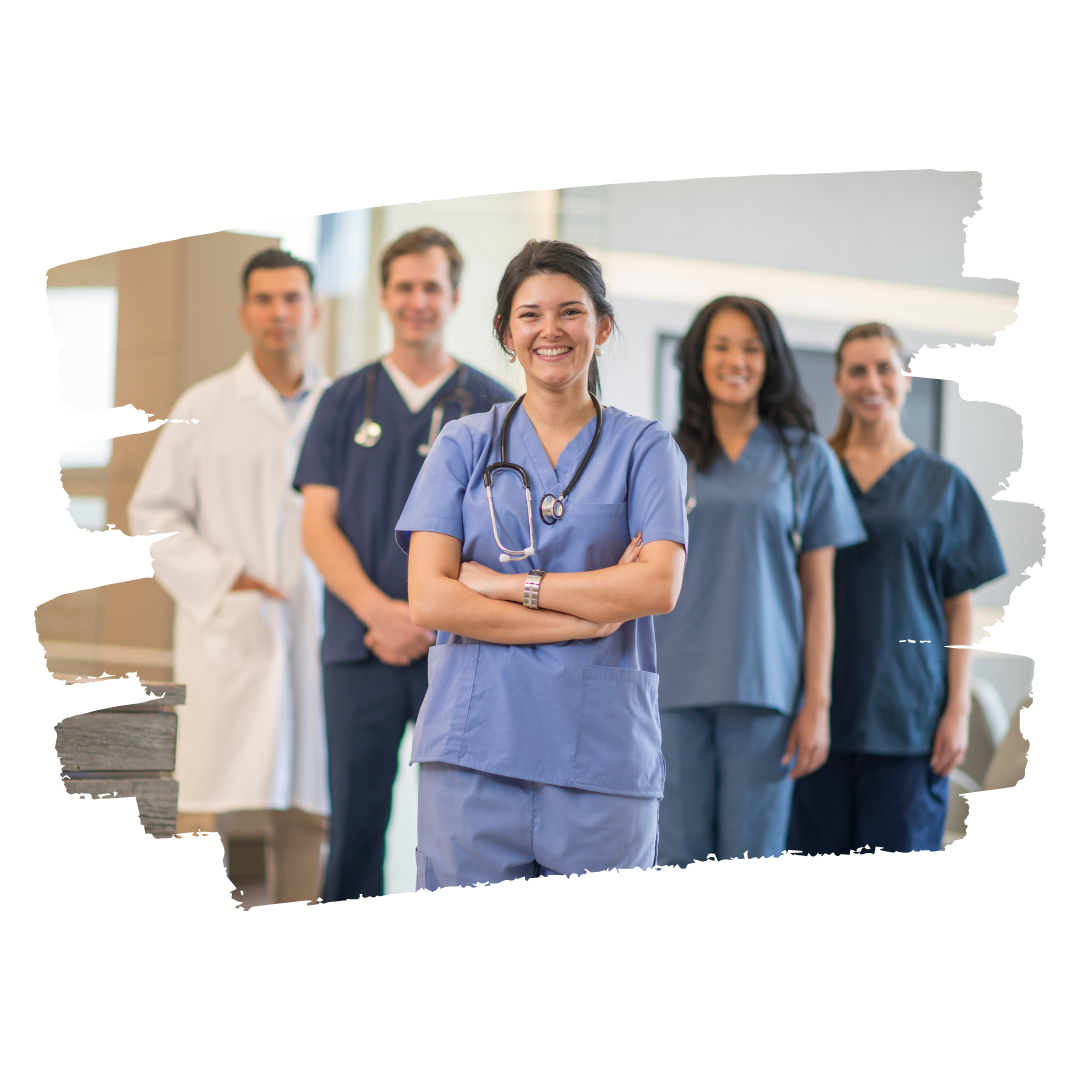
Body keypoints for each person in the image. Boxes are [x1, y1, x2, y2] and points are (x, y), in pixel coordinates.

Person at [396, 239, 688, 907]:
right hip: (475, 754)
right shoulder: (463, 444)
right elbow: (430, 598)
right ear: (505, 332)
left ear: (602, 327)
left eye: (570, 312)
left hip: (601, 760)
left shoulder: (647, 450)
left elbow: (656, 587)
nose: (549, 331)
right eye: (529, 315)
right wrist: (586, 615)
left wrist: (505, 586)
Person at [295, 227, 513, 906]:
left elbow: (508, 538)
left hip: (458, 651)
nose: (418, 301)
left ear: (454, 297)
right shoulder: (342, 401)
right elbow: (316, 526)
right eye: (405, 287)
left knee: (467, 826)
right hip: (361, 646)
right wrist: (380, 612)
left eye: (432, 287)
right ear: (385, 296)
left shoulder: (495, 406)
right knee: (356, 823)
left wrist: (429, 612)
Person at [129, 248, 330, 906]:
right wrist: (226, 579)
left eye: (292, 298)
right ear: (245, 312)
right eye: (265, 300)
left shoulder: (341, 409)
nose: (280, 313)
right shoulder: (203, 407)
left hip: (318, 630)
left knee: (308, 813)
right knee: (212, 810)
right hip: (232, 631)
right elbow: (152, 516)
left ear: (315, 310)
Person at [653, 296, 866, 907]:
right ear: (696, 359)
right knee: (679, 861)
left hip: (766, 689)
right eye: (720, 346)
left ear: (771, 361)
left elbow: (820, 593)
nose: (735, 361)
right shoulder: (662, 457)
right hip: (673, 688)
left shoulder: (807, 459)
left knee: (755, 866)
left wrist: (817, 703)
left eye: (750, 347)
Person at [787, 323, 1005, 907]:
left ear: (906, 379)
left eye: (885, 368)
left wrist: (957, 709)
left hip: (907, 723)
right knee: (814, 889)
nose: (872, 382)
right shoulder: (810, 473)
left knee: (896, 892)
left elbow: (960, 609)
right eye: (857, 370)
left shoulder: (943, 485)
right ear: (838, 382)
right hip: (814, 721)